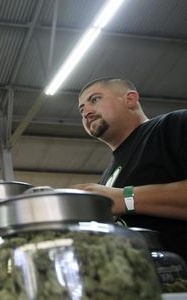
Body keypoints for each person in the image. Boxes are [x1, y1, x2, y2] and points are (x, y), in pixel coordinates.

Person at [73, 77, 187, 262]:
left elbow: (120, 199)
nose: (85, 112)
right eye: (81, 109)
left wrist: (123, 198)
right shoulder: (107, 177)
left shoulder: (173, 125)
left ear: (130, 100)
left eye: (94, 99)